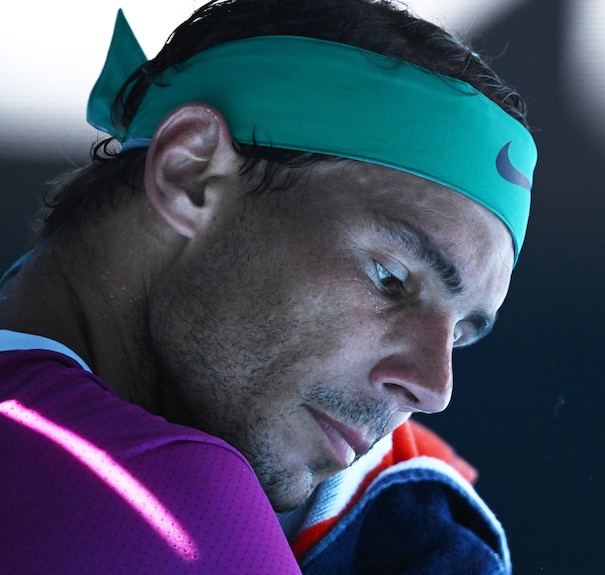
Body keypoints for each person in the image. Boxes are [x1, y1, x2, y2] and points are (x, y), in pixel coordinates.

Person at [0, 0, 536, 572]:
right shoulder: (172, 516)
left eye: (459, 336)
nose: (433, 388)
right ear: (191, 173)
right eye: (391, 279)